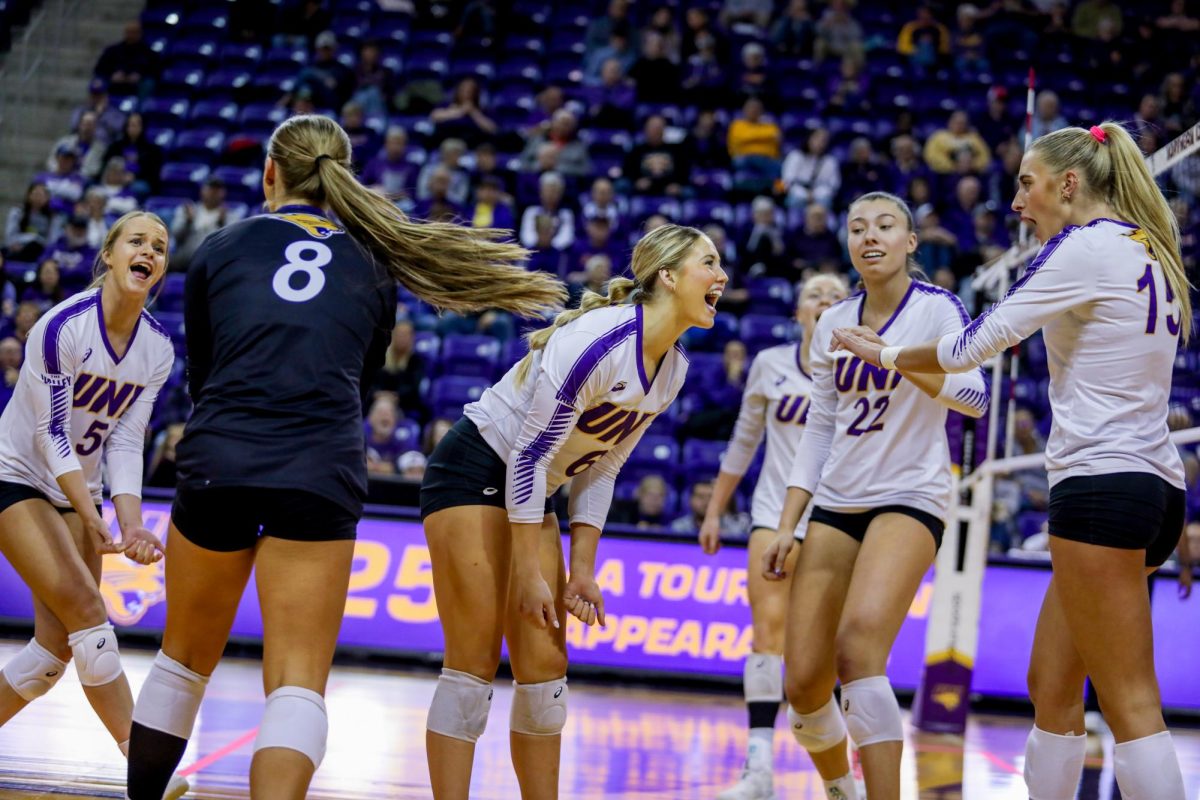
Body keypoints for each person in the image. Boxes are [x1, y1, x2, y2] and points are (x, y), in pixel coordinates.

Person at [124, 114, 566, 800]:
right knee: (298, 682)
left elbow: (203, 374)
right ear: (341, 180)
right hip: (318, 463)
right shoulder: (370, 265)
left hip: (222, 454)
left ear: (271, 173)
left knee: (181, 660)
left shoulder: (222, 246)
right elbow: (360, 383)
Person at [831, 123, 1193, 800]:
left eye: (1026, 183)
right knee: (1050, 685)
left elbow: (972, 346)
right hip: (1150, 487)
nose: (1017, 202)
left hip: (1102, 486)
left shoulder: (1085, 249)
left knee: (1131, 705)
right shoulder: (1150, 249)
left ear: (1069, 183)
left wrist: (879, 351)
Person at [419, 223, 727, 800]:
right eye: (708, 263)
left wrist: (581, 569)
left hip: (532, 492)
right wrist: (532, 572)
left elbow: (601, 468)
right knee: (474, 663)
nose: (721, 276)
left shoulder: (673, 369)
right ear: (667, 275)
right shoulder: (600, 342)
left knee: (545, 671)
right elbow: (530, 456)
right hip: (474, 470)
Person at [763, 191, 989, 800]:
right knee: (805, 684)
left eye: (886, 226)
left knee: (859, 646)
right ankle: (842, 789)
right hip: (837, 500)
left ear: (909, 242)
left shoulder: (939, 308)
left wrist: (889, 357)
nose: (871, 236)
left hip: (911, 495)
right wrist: (788, 522)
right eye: (858, 227)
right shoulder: (834, 321)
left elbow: (974, 398)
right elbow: (818, 428)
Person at [0, 211, 183, 797]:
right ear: (109, 255)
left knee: (53, 652)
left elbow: (126, 439)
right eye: (137, 241)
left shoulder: (157, 348)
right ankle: (142, 773)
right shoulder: (61, 328)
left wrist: (130, 523)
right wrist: (90, 516)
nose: (149, 251)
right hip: (18, 476)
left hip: (80, 488)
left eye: (159, 246)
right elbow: (51, 434)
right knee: (86, 608)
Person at [700, 273, 849, 800]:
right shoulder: (769, 365)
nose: (824, 300)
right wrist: (716, 511)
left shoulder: (864, 367)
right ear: (798, 313)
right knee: (767, 633)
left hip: (838, 519)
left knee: (824, 656)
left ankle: (837, 774)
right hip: (771, 514)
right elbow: (743, 444)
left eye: (835, 295)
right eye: (813, 293)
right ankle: (758, 767)